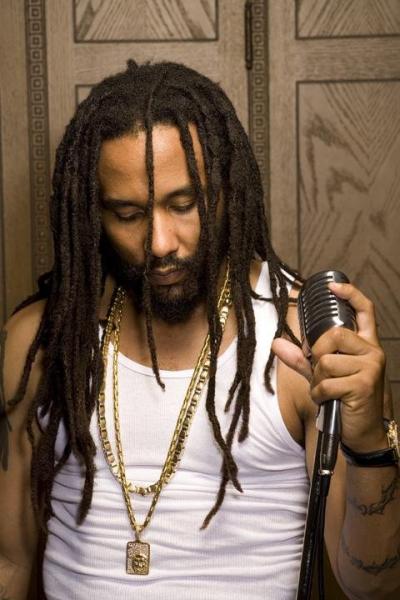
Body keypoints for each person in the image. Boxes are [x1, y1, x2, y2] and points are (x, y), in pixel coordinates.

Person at [0, 60, 399, 600]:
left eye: (184, 205)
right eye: (128, 214)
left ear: (228, 191)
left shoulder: (302, 342)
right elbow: (9, 563)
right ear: (93, 214)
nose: (160, 242)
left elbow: (373, 586)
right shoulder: (44, 342)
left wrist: (370, 441)